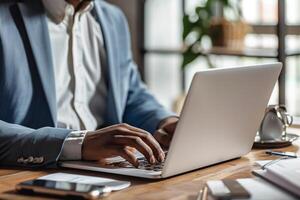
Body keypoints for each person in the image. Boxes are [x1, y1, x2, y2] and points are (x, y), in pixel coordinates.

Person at [0, 0, 178, 168]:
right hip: (30, 171)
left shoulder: (114, 19)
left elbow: (131, 95)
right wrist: (77, 143)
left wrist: (163, 121)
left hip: (112, 167)